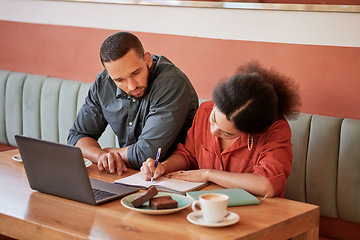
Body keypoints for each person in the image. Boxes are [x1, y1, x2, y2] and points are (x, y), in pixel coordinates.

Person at [140, 61, 301, 197]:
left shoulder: (274, 130)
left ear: (251, 131)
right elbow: (188, 155)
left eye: (227, 133)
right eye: (214, 120)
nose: (213, 132)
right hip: (204, 206)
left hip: (256, 215)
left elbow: (267, 185)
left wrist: (208, 174)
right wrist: (163, 166)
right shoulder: (204, 110)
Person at [67, 31, 198, 175]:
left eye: (136, 73)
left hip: (174, 178)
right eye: (119, 80)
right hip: (126, 175)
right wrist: (102, 156)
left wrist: (111, 152)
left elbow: (147, 154)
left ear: (147, 59)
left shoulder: (171, 83)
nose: (131, 86)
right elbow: (77, 137)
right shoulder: (103, 83)